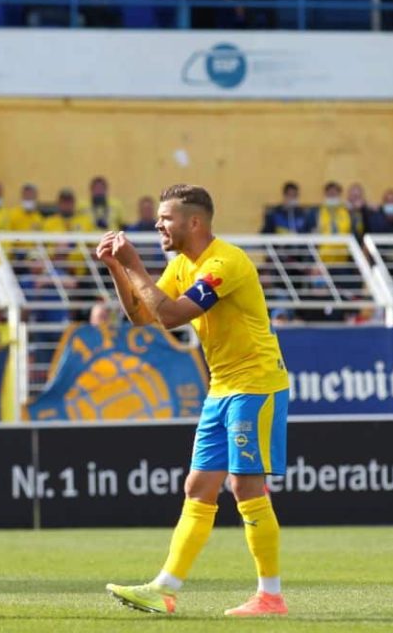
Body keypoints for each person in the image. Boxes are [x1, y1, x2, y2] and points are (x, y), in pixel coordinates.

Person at [99, 184, 289, 617]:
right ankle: (164, 590)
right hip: (222, 387)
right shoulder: (182, 265)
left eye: (165, 218)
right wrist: (117, 267)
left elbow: (171, 315)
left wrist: (135, 265)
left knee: (245, 485)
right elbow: (142, 314)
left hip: (256, 384)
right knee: (198, 486)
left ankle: (271, 596)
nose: (158, 224)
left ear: (194, 222)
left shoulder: (226, 263)